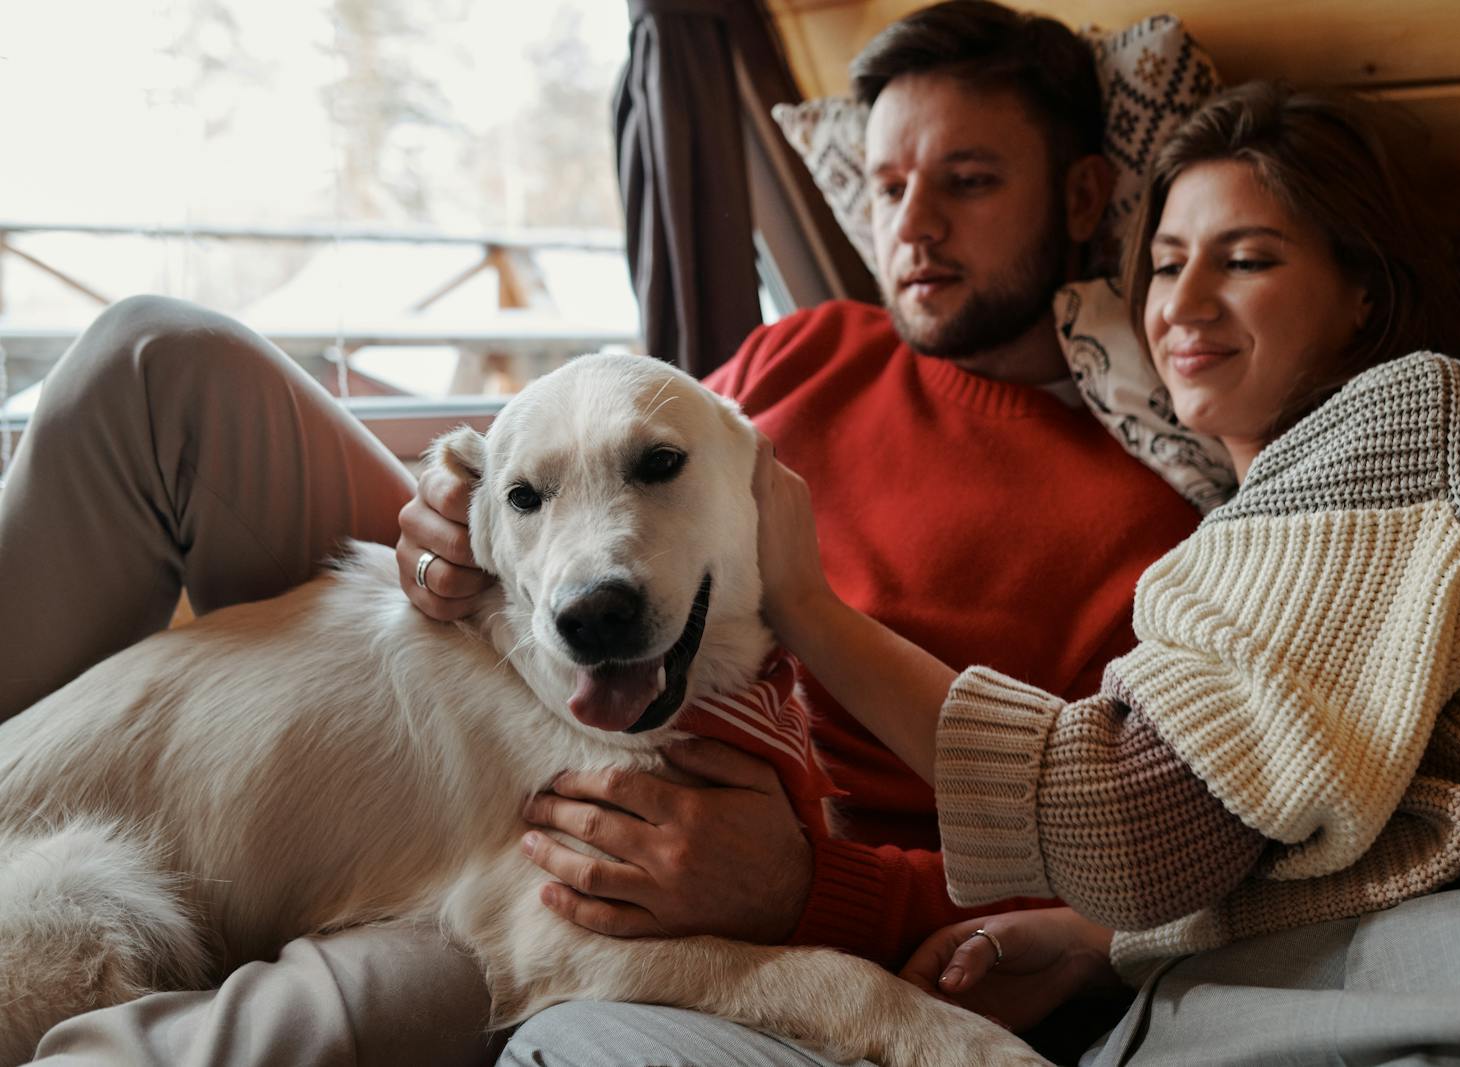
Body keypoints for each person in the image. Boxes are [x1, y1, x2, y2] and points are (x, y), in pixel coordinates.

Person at [0, 2, 1198, 1064]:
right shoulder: (813, 343)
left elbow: (1106, 847)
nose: (916, 226)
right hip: (511, 661)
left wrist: (814, 886)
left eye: (970, 181)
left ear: (1084, 195)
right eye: (888, 187)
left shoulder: (1144, 519)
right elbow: (597, 470)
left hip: (683, 820)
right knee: (160, 359)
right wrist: (452, 514)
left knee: (398, 997)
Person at [719, 82, 1460, 1064]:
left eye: (1247, 260)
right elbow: (1293, 823)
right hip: (1298, 971)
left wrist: (805, 605)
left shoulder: (1422, 415)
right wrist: (1102, 947)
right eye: (1167, 264)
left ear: (1364, 293)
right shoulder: (1223, 536)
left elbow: (1136, 823)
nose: (1178, 305)